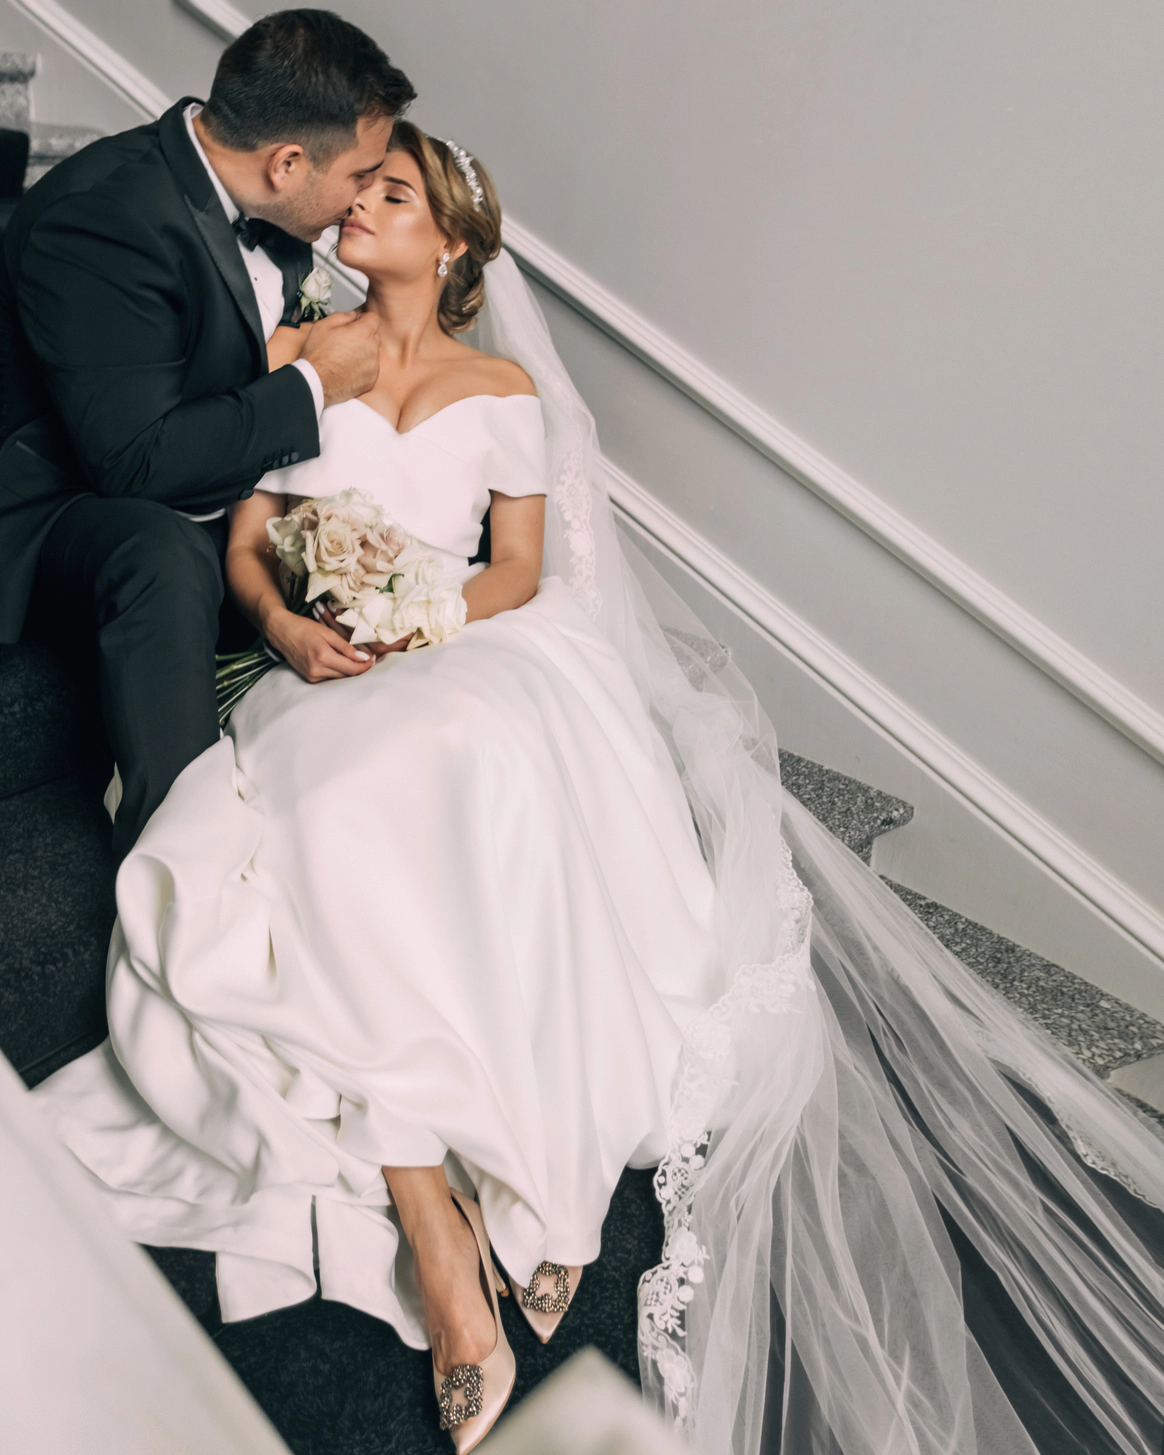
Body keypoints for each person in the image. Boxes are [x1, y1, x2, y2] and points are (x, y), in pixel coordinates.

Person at [33, 125, 1164, 1455]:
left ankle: (492, 1166)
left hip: (458, 649)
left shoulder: (502, 387)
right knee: (332, 810)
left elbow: (517, 569)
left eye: (391, 194)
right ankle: (432, 1217)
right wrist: (288, 627)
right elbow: (245, 543)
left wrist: (419, 618)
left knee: (463, 764)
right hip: (317, 668)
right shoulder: (298, 355)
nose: (357, 206)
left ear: (451, 245)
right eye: (360, 187)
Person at [0, 10, 415, 863]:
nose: (359, 201)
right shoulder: (100, 218)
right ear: (287, 163)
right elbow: (135, 462)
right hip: (57, 500)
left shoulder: (275, 213)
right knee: (161, 552)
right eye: (359, 175)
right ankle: (185, 862)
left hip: (189, 468)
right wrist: (314, 384)